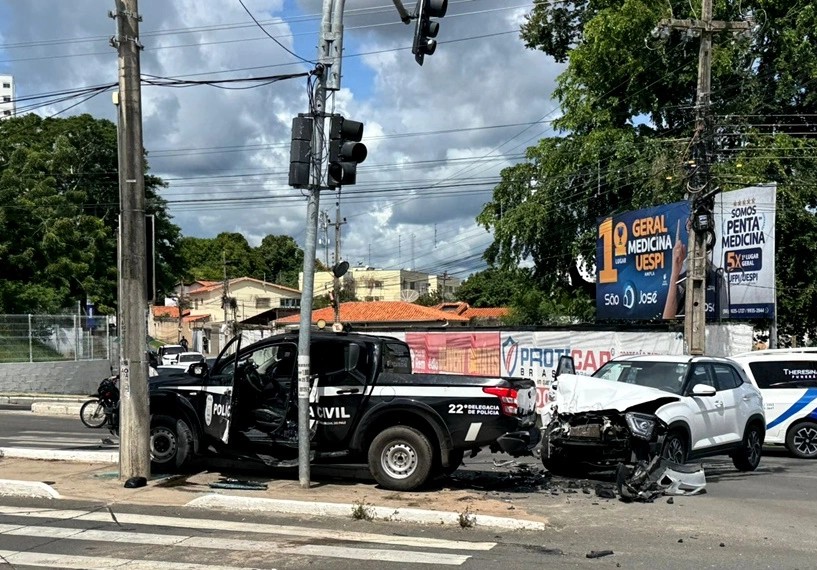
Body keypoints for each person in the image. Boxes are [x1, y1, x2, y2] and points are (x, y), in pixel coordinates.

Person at [663, 219, 729, 320]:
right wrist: (675, 273)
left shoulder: (717, 277)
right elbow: (667, 319)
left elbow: (723, 319)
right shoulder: (679, 271)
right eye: (690, 227)